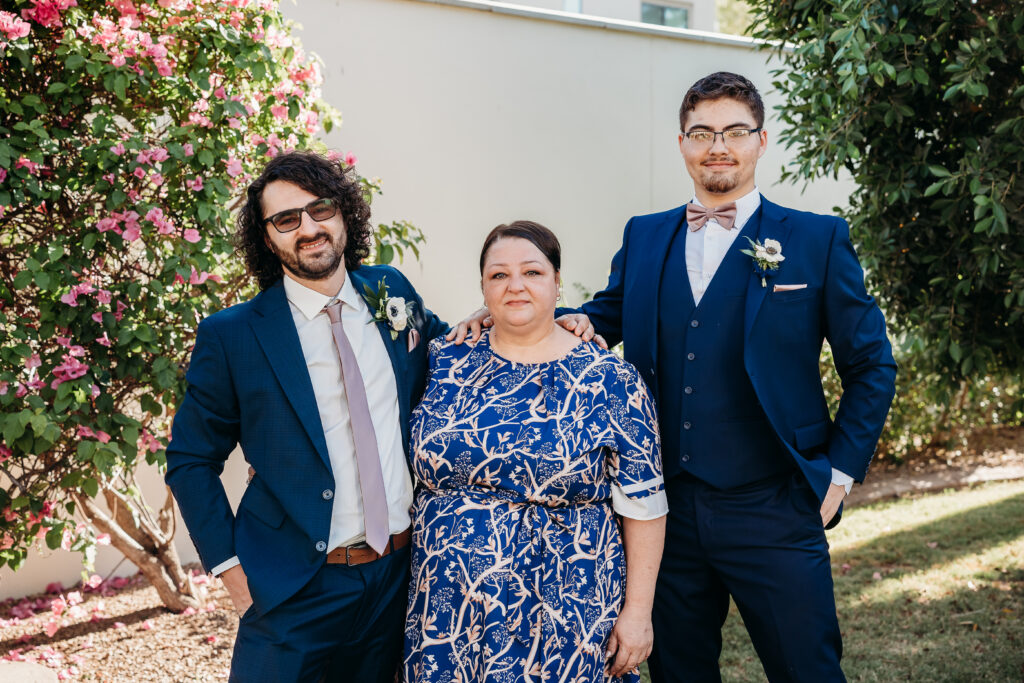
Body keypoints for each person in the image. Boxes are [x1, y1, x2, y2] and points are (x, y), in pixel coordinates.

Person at [471, 72, 898, 681]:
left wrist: (839, 473)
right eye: (701, 132)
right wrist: (506, 312)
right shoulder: (646, 235)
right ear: (681, 144)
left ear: (760, 141)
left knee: (808, 670)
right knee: (679, 673)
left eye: (733, 132)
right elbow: (603, 316)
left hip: (774, 502)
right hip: (662, 513)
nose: (716, 145)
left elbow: (872, 365)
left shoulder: (816, 239)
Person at [164, 150, 449, 682]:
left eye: (319, 209)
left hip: (397, 577)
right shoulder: (234, 335)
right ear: (267, 237)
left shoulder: (392, 293)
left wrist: (556, 326)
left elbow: (459, 349)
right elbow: (189, 460)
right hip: (292, 587)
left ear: (344, 213)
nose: (309, 228)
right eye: (286, 219)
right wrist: (231, 573)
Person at [403, 221, 667, 682]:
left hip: (567, 603)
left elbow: (644, 505)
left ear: (557, 281)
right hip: (448, 605)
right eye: (499, 275)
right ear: (482, 287)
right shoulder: (445, 359)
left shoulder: (609, 379)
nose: (515, 285)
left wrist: (638, 613)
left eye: (532, 272)